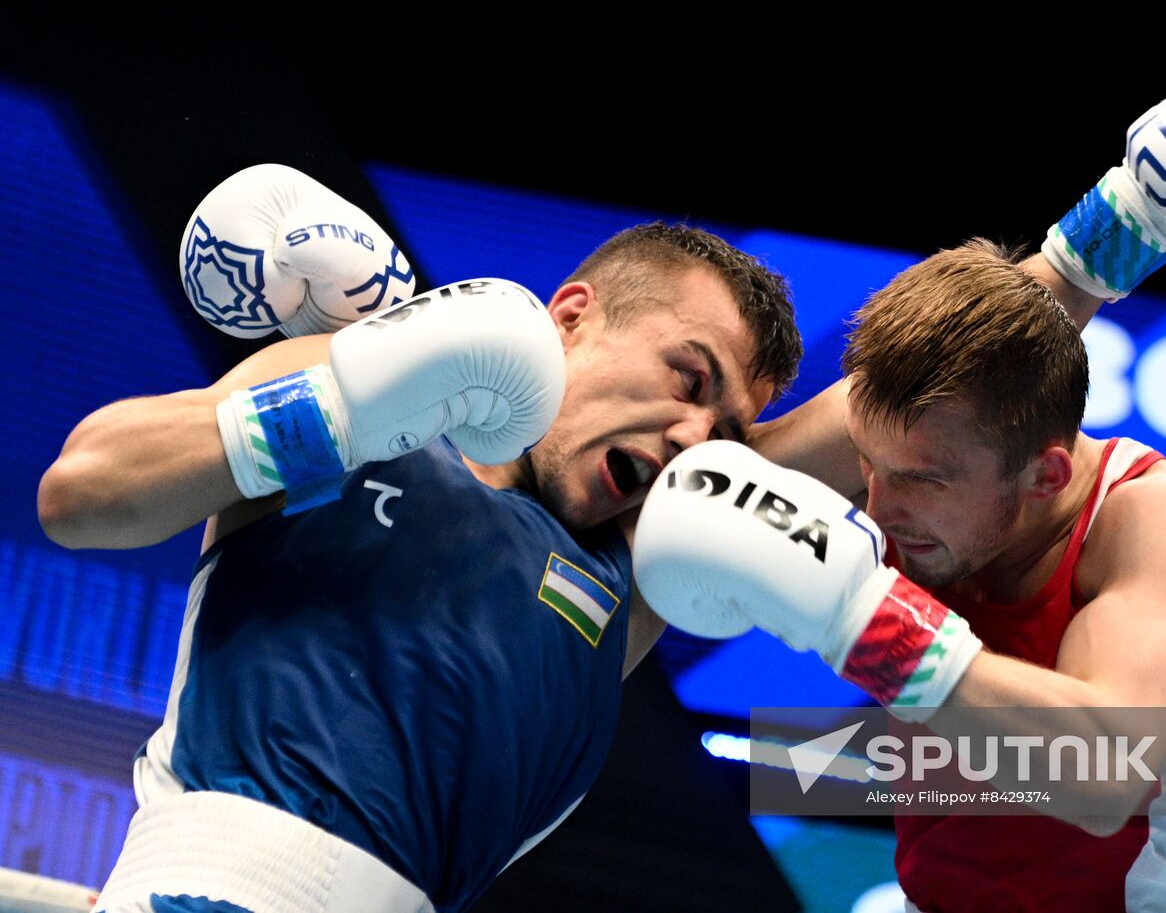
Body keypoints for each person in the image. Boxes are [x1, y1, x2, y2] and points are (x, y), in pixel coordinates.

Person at [632, 55, 1166, 912]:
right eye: (871, 463)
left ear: (1046, 474)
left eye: (922, 481)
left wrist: (855, 616)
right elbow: (705, 484)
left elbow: (1101, 778)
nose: (879, 504)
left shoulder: (1162, 526)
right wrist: (1130, 219)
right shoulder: (909, 448)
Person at [38, 181, 803, 910]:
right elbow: (80, 494)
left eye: (726, 437)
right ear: (570, 316)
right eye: (688, 379)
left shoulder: (633, 571)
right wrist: (340, 409)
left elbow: (881, 410)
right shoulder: (358, 399)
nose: (695, 437)